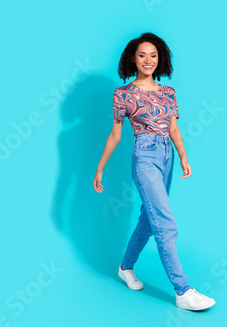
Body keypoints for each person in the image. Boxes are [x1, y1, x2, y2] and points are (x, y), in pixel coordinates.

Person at [93, 32, 215, 311]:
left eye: (153, 55)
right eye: (141, 55)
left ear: (160, 59)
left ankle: (126, 267)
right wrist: (99, 168)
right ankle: (183, 290)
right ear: (132, 59)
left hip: (167, 155)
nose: (148, 60)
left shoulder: (168, 92)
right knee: (165, 222)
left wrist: (183, 156)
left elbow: (173, 129)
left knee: (149, 220)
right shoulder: (123, 94)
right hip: (145, 156)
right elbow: (115, 135)